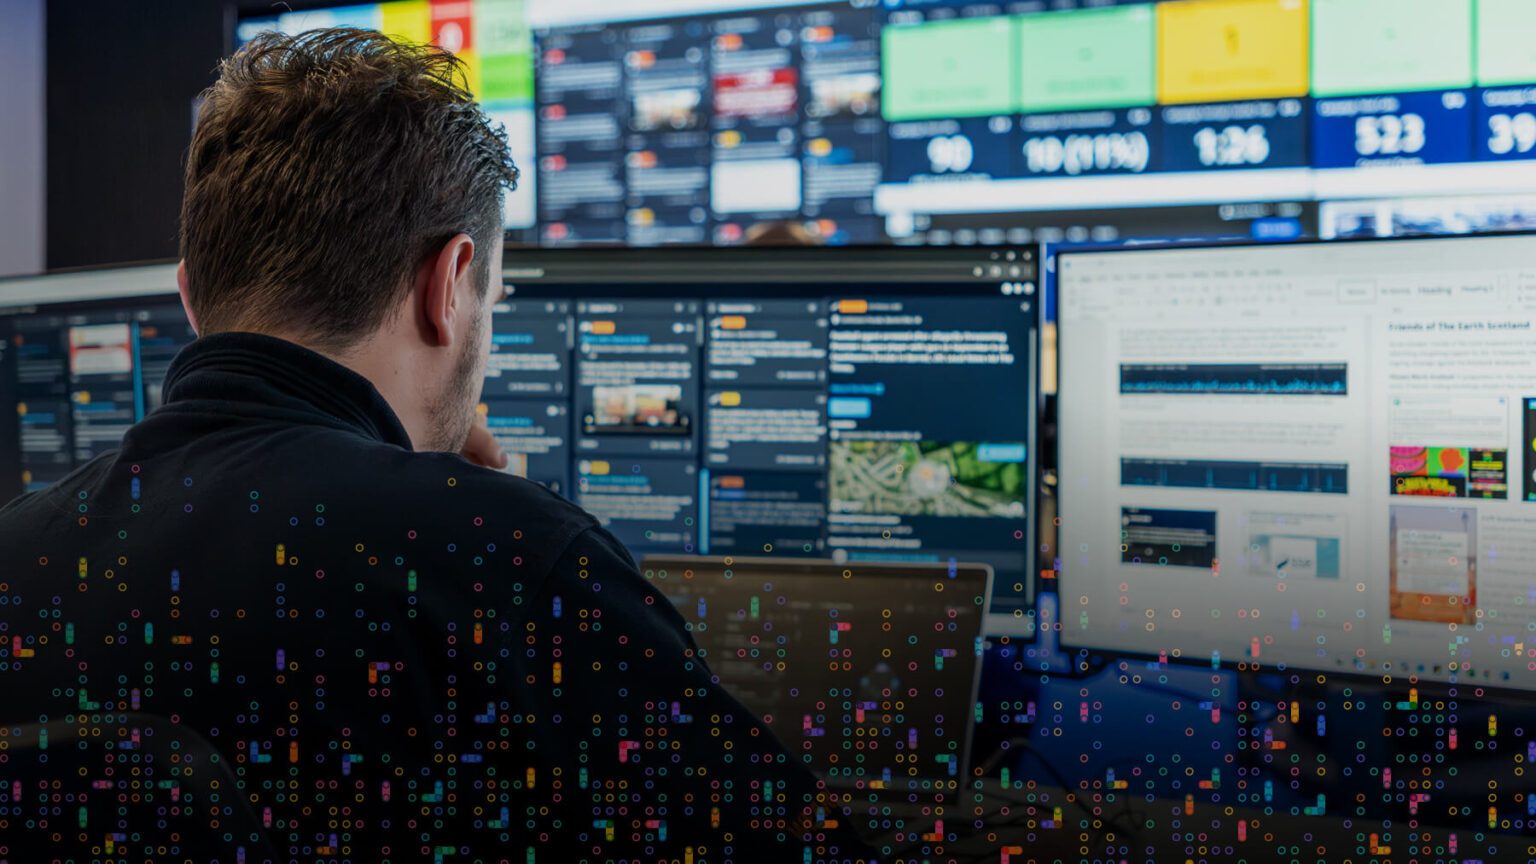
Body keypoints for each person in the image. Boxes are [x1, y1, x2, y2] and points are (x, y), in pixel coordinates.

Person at [0, 28, 876, 862]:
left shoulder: (16, 555)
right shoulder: (505, 563)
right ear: (451, 284)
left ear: (191, 298)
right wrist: (494, 529)